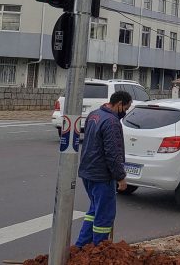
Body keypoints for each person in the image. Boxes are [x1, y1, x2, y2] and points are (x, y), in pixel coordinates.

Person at [75, 90, 132, 248]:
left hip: (88, 172)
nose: (125, 113)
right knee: (104, 216)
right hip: (102, 176)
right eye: (125, 109)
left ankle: (81, 247)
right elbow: (112, 153)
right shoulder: (112, 122)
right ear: (119, 104)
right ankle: (100, 249)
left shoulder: (95, 114)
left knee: (94, 211)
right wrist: (121, 177)